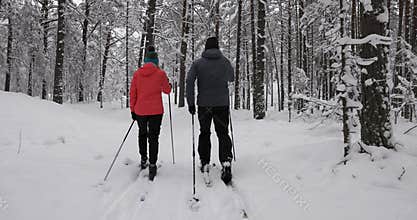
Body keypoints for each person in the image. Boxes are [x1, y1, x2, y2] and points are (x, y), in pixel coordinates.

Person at [186, 37, 235, 184]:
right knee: (223, 133)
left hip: (204, 105)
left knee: (205, 132)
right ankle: (226, 162)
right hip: (222, 104)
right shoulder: (225, 61)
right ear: (217, 47)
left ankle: (204, 161)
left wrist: (190, 103)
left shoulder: (198, 63)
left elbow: (189, 82)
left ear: (206, 48)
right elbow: (231, 78)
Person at [130, 46, 171, 181]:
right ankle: (152, 164)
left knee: (142, 134)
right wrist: (169, 85)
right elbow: (167, 91)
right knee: (154, 137)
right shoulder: (160, 74)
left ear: (145, 60)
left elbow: (133, 93)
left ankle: (143, 159)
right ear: (156, 61)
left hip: (140, 110)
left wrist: (132, 110)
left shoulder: (137, 74)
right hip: (156, 111)